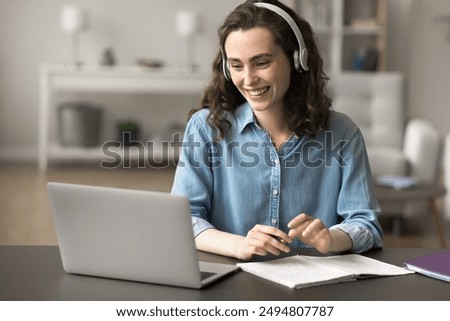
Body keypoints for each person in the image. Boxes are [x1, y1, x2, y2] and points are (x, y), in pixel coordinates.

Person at [171, 0, 383, 261]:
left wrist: (330, 239)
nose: (248, 79)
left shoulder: (342, 133)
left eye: (261, 63)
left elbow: (366, 225)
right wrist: (240, 245)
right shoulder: (206, 128)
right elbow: (184, 220)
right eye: (237, 65)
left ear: (297, 60)